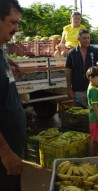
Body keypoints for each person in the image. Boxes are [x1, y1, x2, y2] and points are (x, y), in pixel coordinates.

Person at [0, 0, 26, 190]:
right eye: (12, 22)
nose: (16, 28)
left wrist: (9, 61)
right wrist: (5, 153)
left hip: (12, 144)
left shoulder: (1, 51)